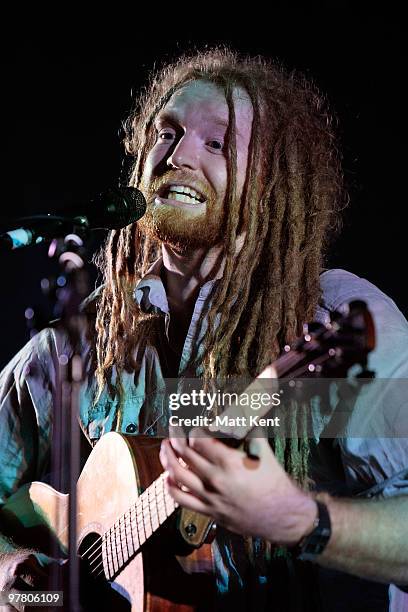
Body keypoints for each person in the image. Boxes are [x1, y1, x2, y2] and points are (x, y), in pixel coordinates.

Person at [0, 48, 407, 610]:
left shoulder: (331, 314)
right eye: (167, 134)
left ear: (269, 184)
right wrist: (12, 573)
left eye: (217, 144)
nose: (179, 154)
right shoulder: (80, 338)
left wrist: (300, 520)